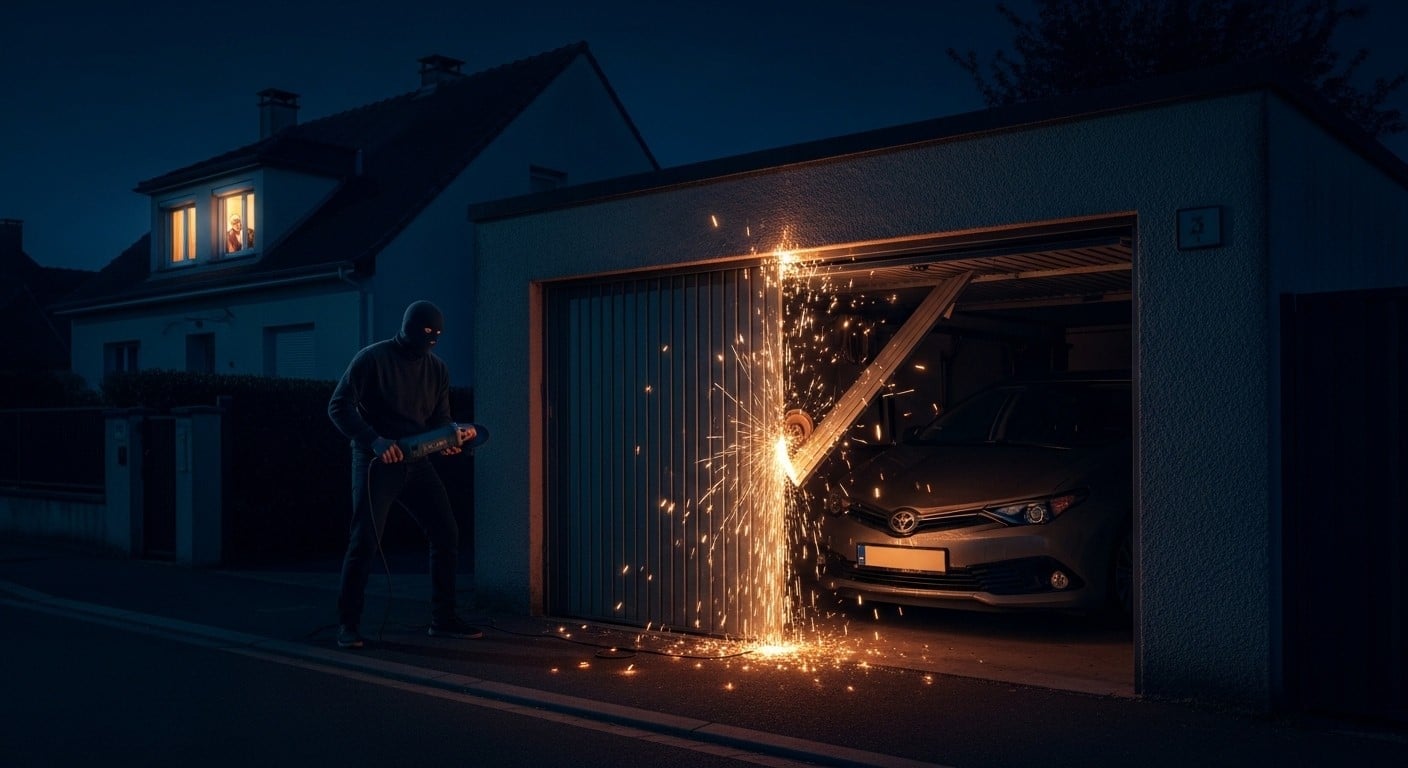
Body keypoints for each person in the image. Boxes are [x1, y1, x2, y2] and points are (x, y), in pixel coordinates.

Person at [327, 299, 481, 649]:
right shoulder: (372, 359)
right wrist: (374, 441)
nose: (432, 340)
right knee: (364, 540)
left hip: (418, 461)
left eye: (437, 335)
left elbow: (440, 418)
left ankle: (443, 619)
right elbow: (338, 406)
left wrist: (448, 440)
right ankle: (347, 625)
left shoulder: (437, 368)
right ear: (408, 327)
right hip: (376, 462)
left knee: (446, 532)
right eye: (426, 333)